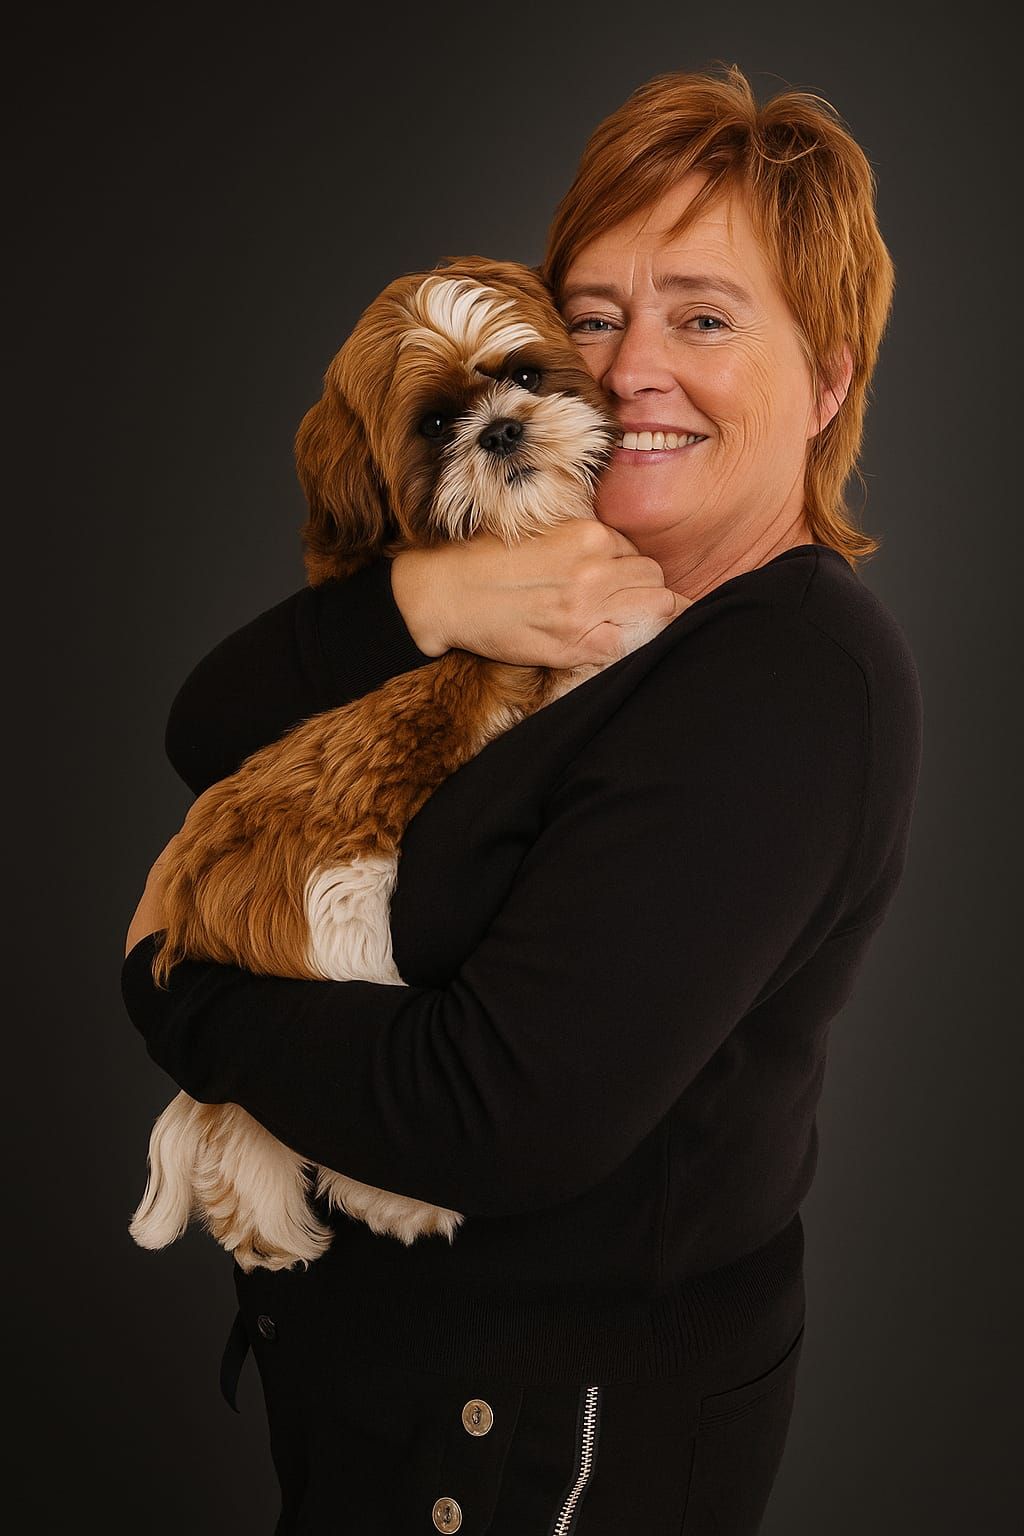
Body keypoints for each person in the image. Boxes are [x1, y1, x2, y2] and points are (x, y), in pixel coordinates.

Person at [122, 65, 922, 1535]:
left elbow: (496, 1116)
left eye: (704, 318)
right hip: (402, 1421)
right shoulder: (551, 597)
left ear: (829, 379)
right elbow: (203, 729)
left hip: (541, 1457)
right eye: (595, 318)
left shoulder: (787, 678)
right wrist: (431, 598)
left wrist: (182, 995)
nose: (631, 370)